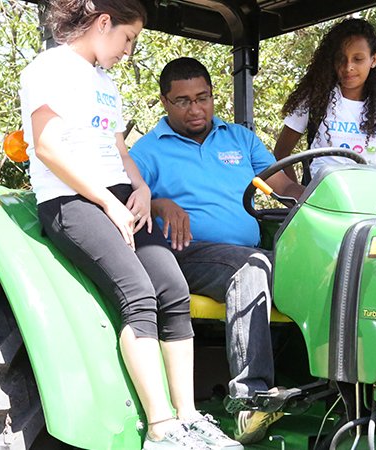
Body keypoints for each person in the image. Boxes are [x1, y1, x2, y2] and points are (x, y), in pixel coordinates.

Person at [19, 2, 238, 449]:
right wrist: (107, 201)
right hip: (72, 200)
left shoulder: (105, 83)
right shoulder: (49, 68)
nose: (128, 50)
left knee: (173, 290)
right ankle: (161, 428)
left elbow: (119, 151)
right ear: (104, 24)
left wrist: (138, 189)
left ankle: (190, 418)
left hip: (119, 196)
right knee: (137, 293)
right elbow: (47, 149)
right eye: (128, 39)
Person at [129, 58, 304, 445]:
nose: (195, 109)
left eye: (203, 98)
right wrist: (159, 204)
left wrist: (325, 196)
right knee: (251, 266)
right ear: (164, 102)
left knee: (326, 267)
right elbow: (128, 196)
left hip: (248, 250)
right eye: (183, 101)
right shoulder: (148, 149)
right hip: (187, 254)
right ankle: (249, 399)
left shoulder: (239, 139)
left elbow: (284, 187)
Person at [273, 18, 376, 182]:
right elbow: (281, 153)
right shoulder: (316, 95)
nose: (348, 67)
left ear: (374, 60)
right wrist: (296, 197)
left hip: (373, 204)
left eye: (358, 59)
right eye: (341, 58)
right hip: (321, 203)